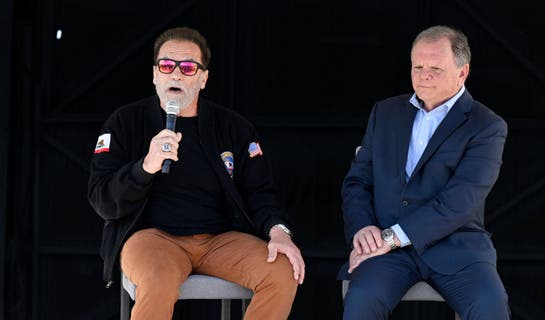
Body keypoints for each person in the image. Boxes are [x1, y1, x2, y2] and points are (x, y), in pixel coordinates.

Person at [88, 27, 304, 320]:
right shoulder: (125, 122)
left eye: (189, 67)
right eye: (167, 65)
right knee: (158, 279)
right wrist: (145, 166)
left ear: (203, 78)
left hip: (221, 239)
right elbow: (102, 199)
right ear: (154, 74)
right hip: (153, 239)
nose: (176, 74)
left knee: (281, 270)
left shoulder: (233, 127)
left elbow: (261, 192)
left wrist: (279, 232)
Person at [339, 25, 510, 319]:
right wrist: (363, 228)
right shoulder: (385, 112)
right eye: (417, 66)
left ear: (462, 73)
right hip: (388, 252)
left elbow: (460, 201)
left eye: (435, 68)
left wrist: (389, 238)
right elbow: (357, 182)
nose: (423, 74)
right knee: (362, 301)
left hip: (457, 248)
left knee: (489, 305)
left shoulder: (486, 126)